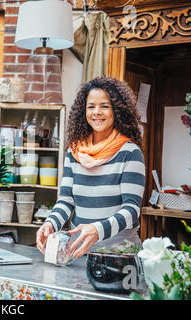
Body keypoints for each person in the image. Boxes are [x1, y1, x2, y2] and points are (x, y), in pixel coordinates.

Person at [36, 76, 145, 259]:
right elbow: (66, 200)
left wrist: (97, 230)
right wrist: (50, 223)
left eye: (104, 106)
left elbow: (131, 210)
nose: (97, 112)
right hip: (78, 252)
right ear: (83, 111)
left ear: (116, 110)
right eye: (91, 106)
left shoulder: (130, 153)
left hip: (119, 255)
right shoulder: (75, 152)